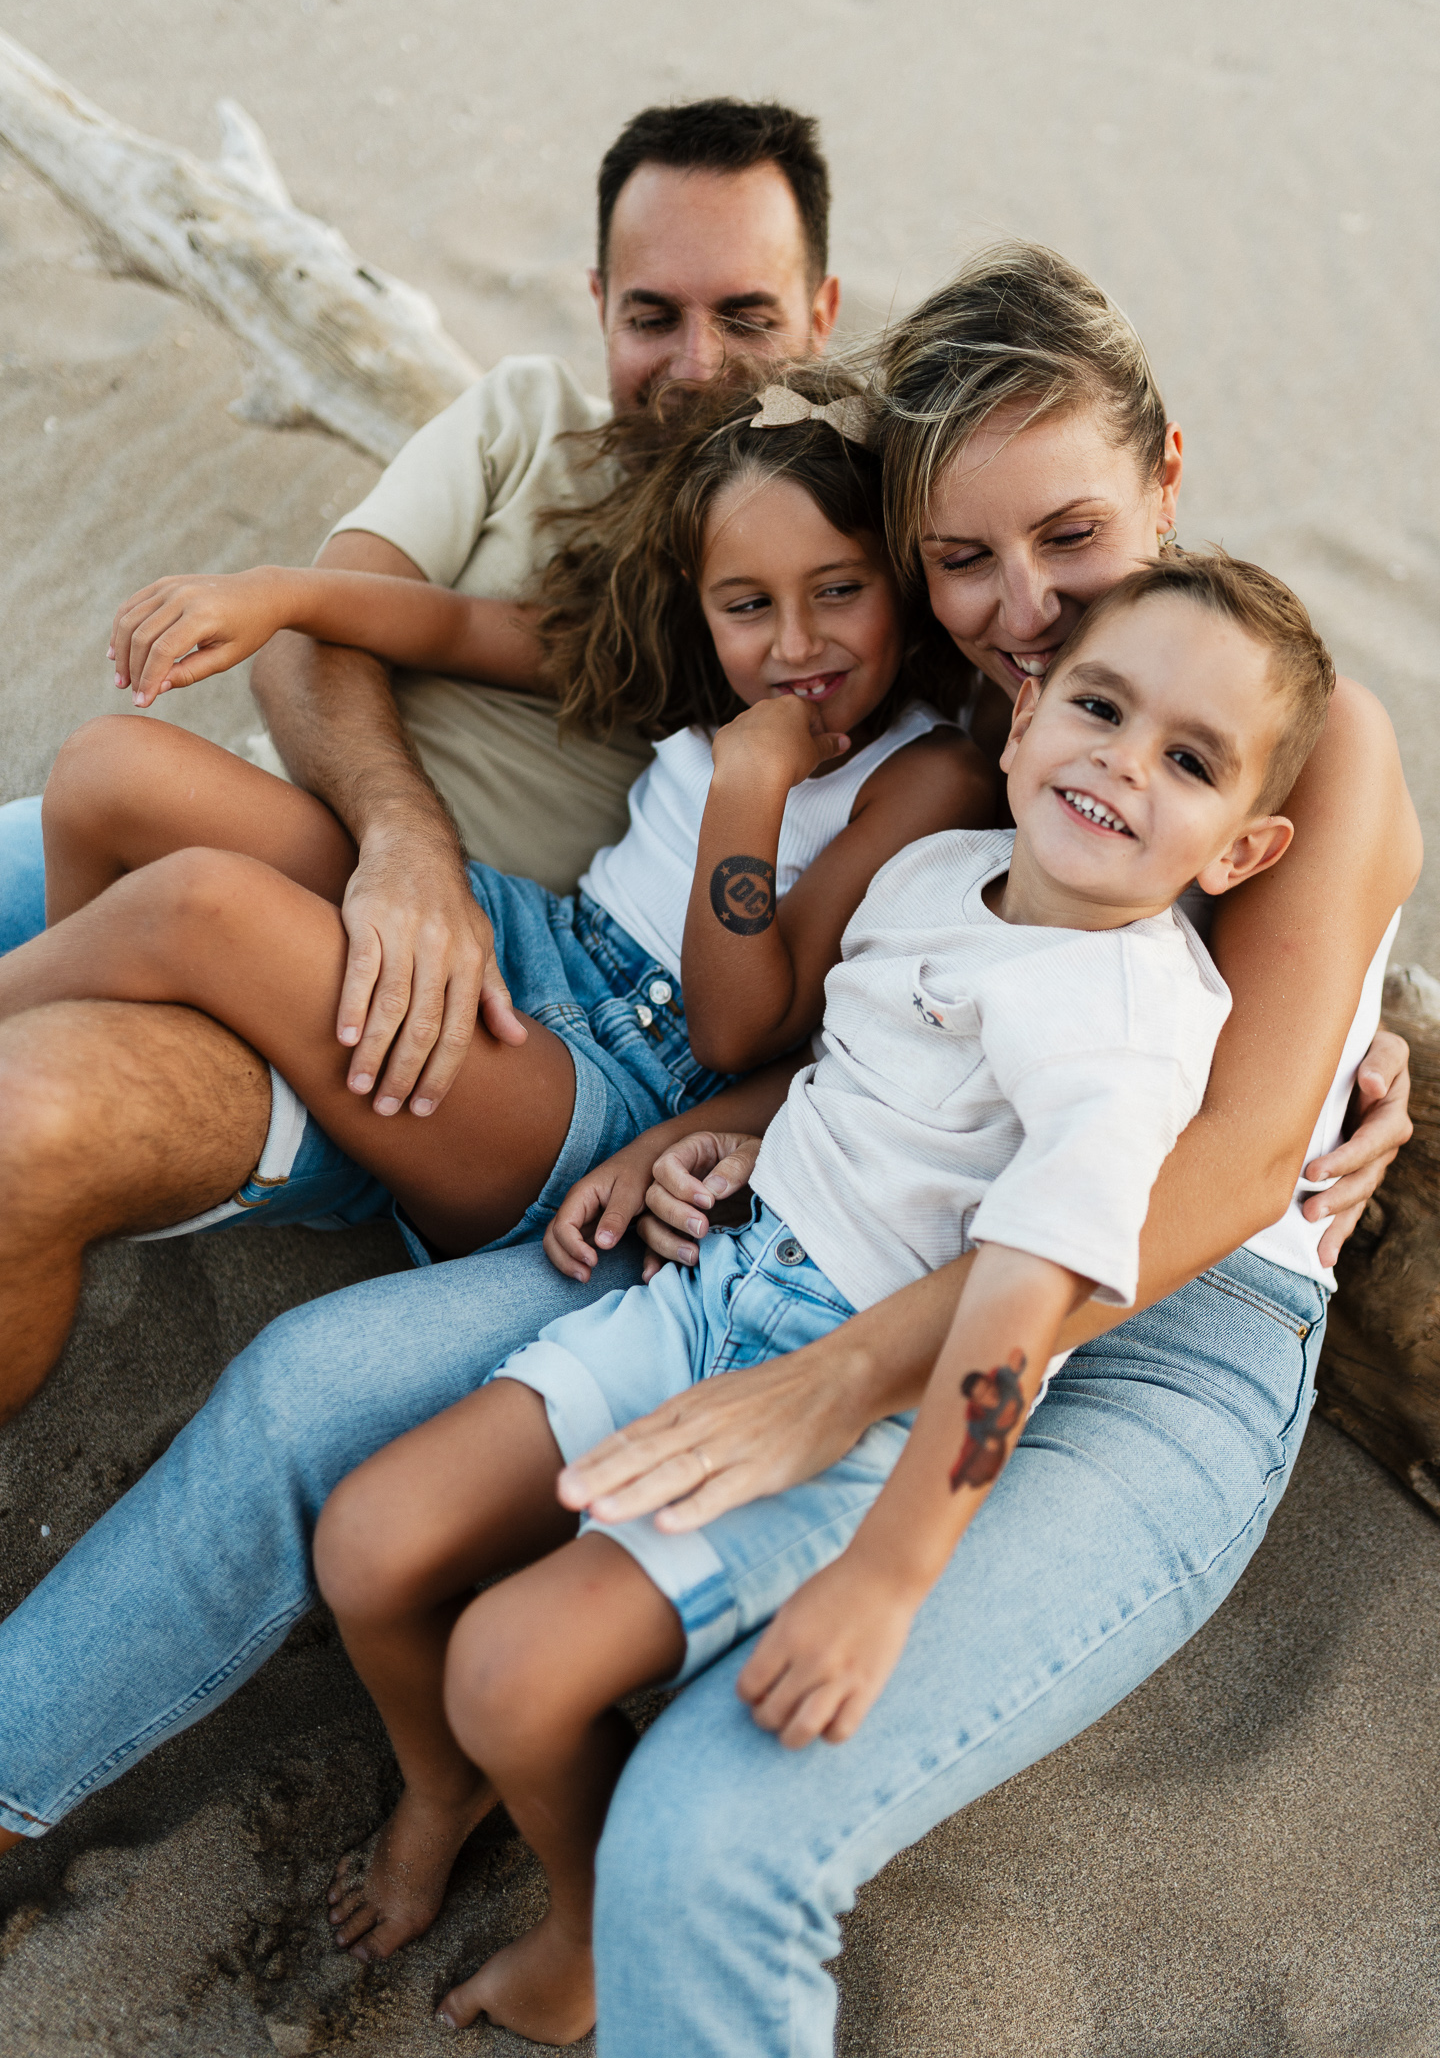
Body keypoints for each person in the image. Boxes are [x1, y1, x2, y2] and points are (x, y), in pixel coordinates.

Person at [0, 245, 1418, 2058]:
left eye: (1071, 537)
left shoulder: (1289, 727)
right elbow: (895, 1014)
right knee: (302, 1393)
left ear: (1169, 476)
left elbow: (1210, 1177)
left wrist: (841, 1378)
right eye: (963, 560)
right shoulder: (975, 721)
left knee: (723, 1816)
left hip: (1156, 1327)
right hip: (827, 1223)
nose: (1026, 607)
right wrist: (723, 1128)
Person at [308, 551, 1333, 2043]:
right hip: (707, 1289)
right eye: (1102, 707)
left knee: (510, 1668)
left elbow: (1011, 1325)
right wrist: (732, 1139)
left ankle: (587, 1923)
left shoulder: (1125, 1025)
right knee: (370, 1547)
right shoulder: (935, 873)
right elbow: (860, 1082)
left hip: (843, 1404)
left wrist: (887, 1580)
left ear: (1242, 852)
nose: (1122, 763)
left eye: (1189, 761)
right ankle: (447, 1788)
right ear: (1029, 705)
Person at [0, 96, 844, 1347]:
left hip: (509, 1017)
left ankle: (101, 1018)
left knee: (117, 1004)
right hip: (344, 851)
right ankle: (98, 989)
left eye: (748, 315)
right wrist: (406, 842)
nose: (698, 365)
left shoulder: (805, 570)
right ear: (600, 298)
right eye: (653, 316)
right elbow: (335, 638)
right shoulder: (530, 436)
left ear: (823, 312)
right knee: (103, 770)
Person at [0, 369, 987, 1416]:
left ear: (901, 578)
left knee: (200, 905)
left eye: (840, 589)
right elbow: (454, 628)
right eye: (748, 604)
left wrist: (752, 782)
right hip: (530, 937)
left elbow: (738, 1030)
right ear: (701, 604)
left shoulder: (929, 774)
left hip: (614, 1087)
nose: (796, 645)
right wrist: (277, 593)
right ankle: (74, 1024)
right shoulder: (700, 675)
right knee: (112, 770)